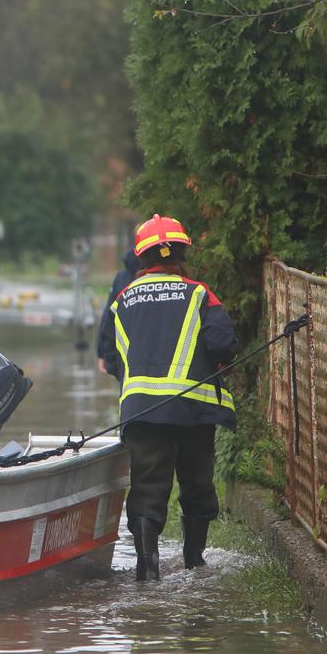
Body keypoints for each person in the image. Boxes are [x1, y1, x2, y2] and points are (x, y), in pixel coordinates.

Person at [103, 214, 240, 581]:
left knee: (147, 486)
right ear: (181, 252)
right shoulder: (199, 294)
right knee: (197, 482)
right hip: (193, 408)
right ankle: (195, 562)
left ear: (142, 258)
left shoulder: (122, 300)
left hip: (142, 411)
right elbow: (224, 344)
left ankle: (147, 570)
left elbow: (117, 360)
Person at [96, 246, 139, 377]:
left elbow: (108, 317)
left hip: (124, 355)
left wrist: (102, 352)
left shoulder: (121, 278)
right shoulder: (170, 274)